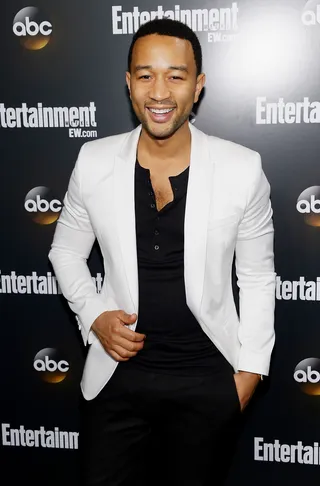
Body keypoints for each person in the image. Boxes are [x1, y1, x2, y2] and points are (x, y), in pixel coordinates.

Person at [48, 17, 275, 486]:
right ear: (128, 83)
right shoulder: (93, 160)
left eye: (176, 75)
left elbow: (256, 277)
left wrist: (249, 375)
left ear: (198, 86)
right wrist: (94, 315)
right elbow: (65, 251)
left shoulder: (242, 168)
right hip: (115, 381)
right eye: (146, 74)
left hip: (207, 383)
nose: (159, 92)